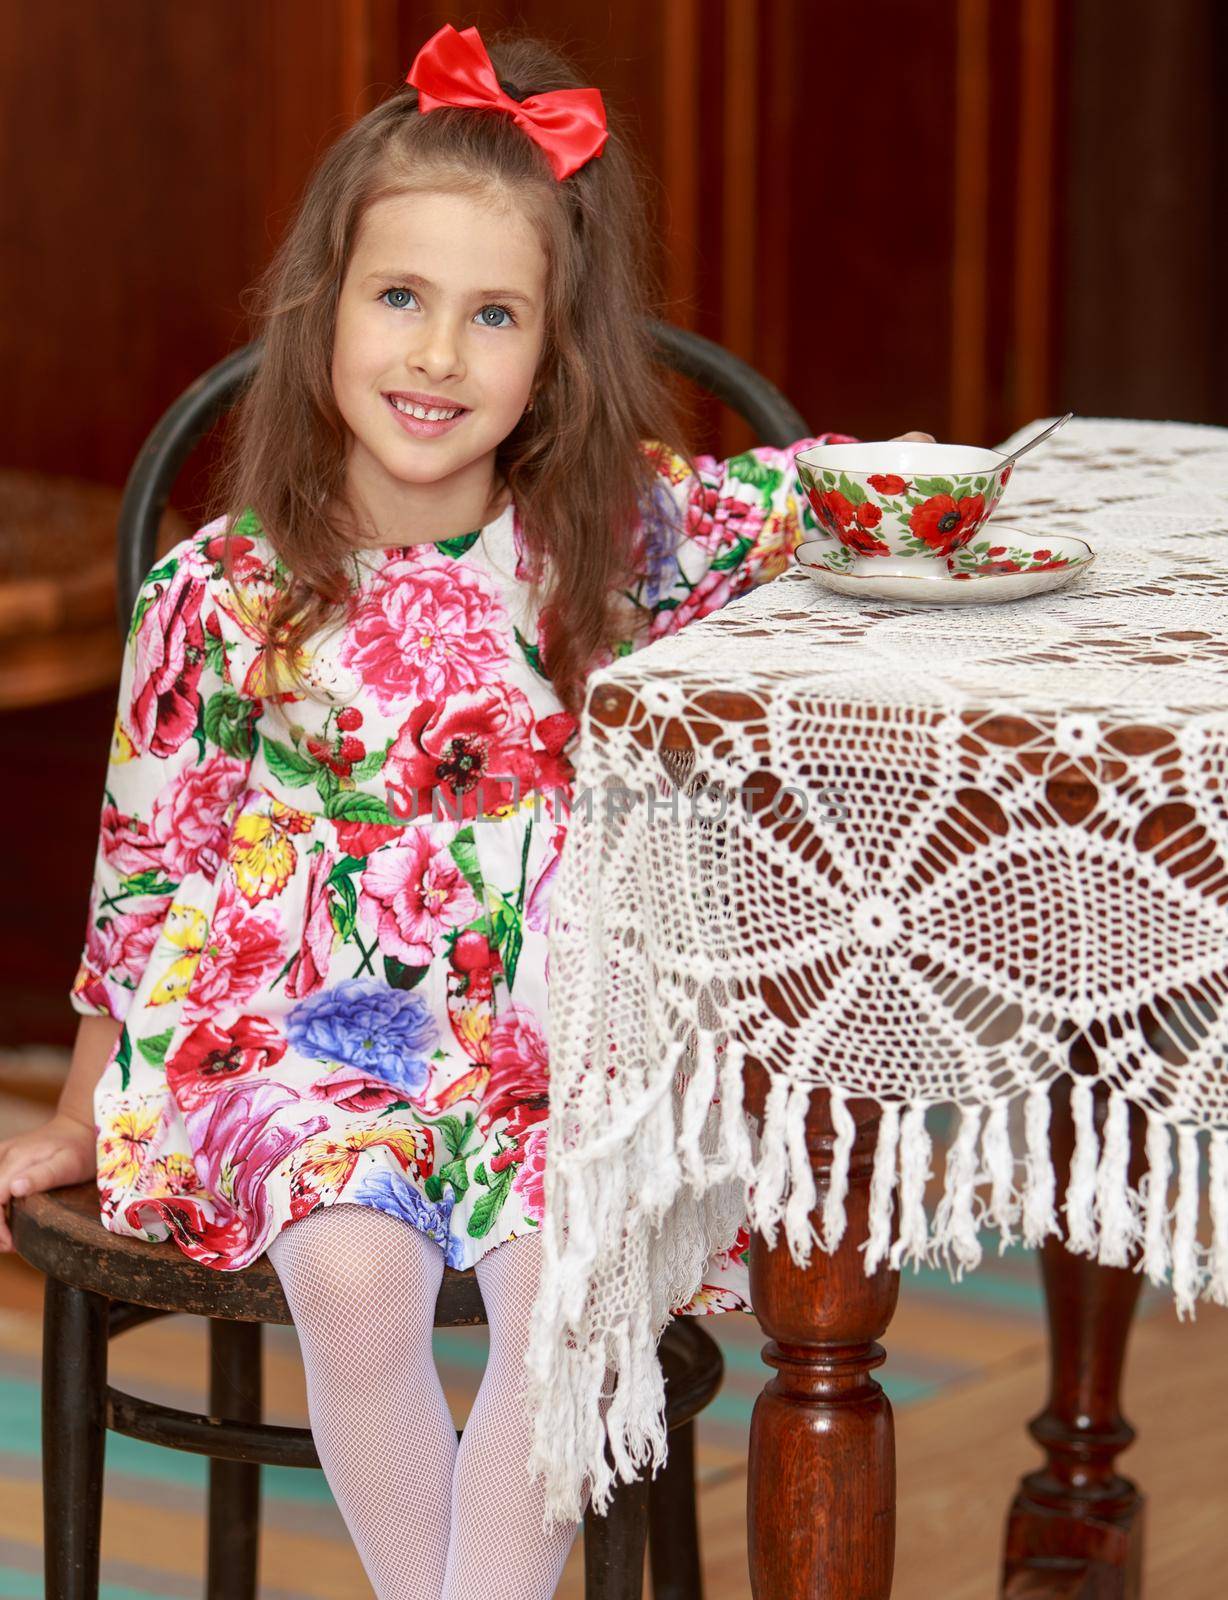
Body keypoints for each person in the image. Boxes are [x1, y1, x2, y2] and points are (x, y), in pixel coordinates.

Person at [0, 23, 932, 1599]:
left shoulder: (620, 535)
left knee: (569, 1275)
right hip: (293, 1030)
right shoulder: (219, 590)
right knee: (357, 1280)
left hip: (543, 1033)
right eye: (401, 299)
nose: (436, 357)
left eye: (492, 315)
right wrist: (86, 1106)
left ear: (553, 354)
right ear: (325, 312)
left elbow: (818, 498)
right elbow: (144, 868)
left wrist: (931, 479)